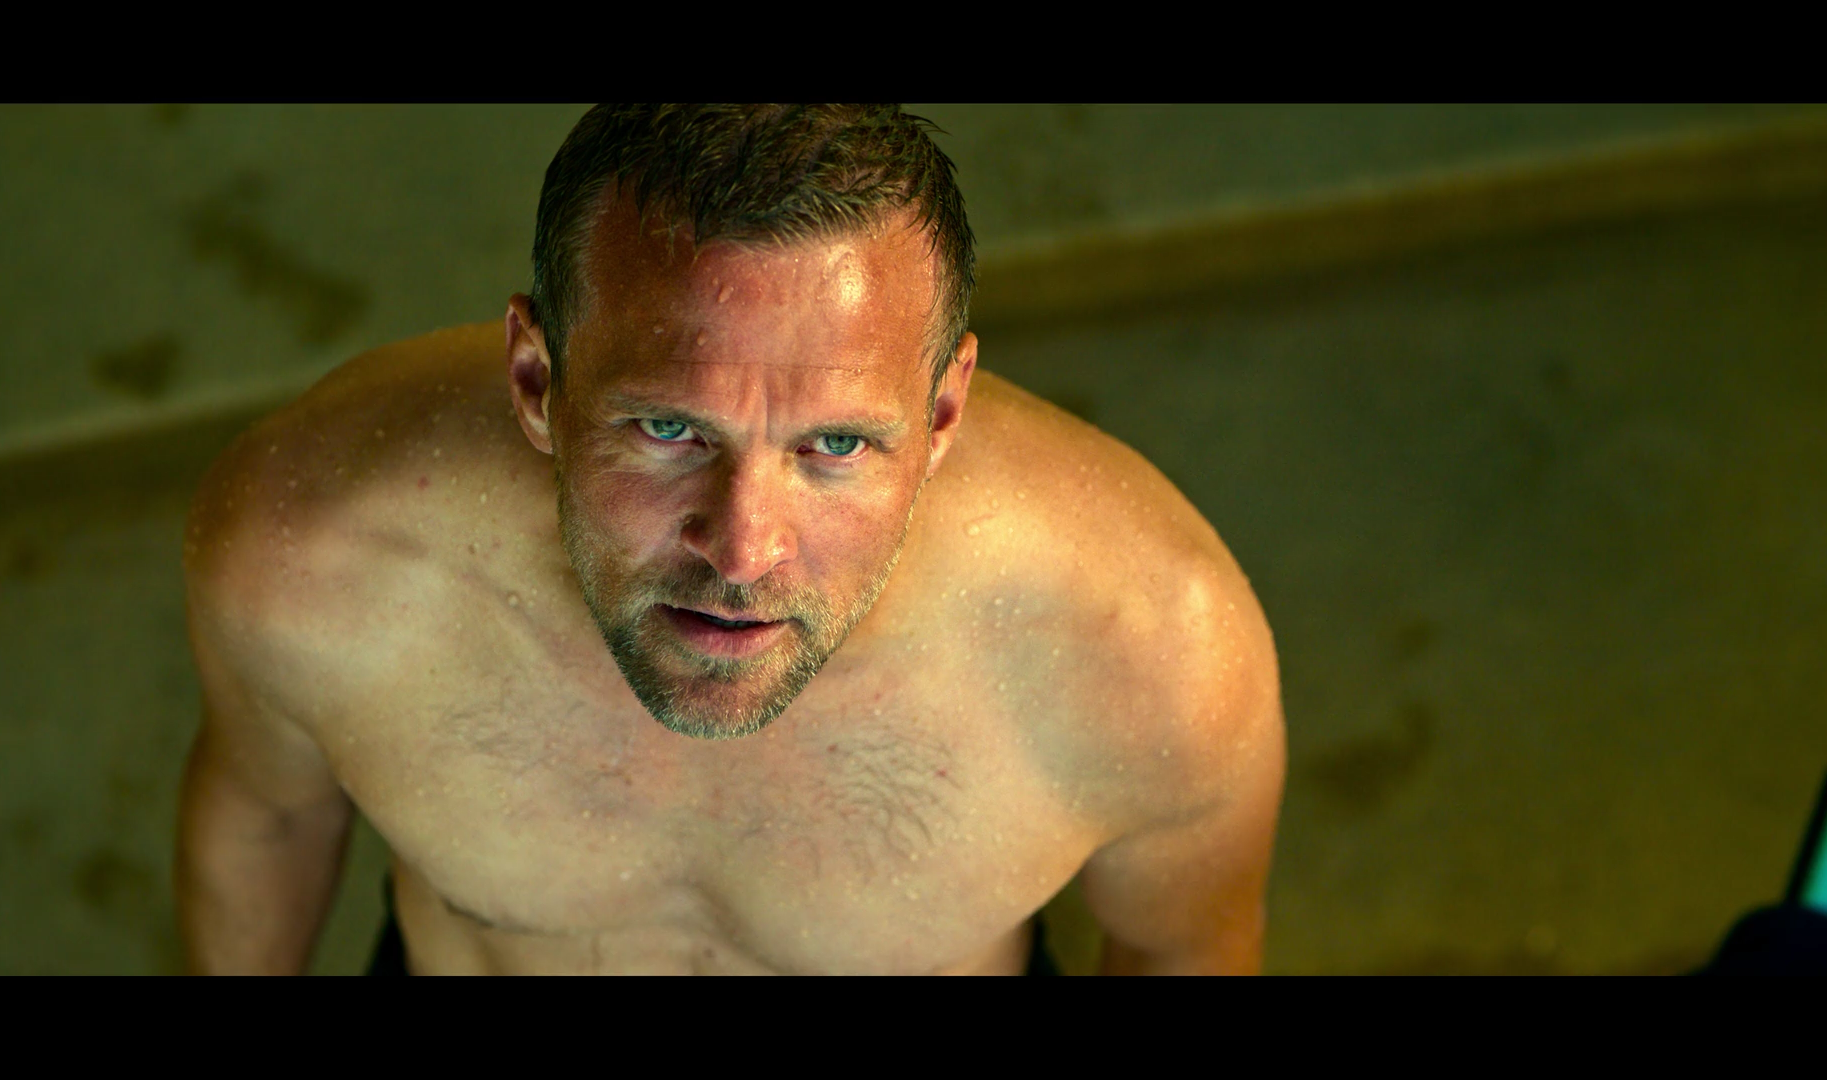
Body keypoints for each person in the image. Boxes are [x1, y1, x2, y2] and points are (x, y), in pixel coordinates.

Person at [173, 104, 1285, 975]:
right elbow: (267, 817)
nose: (745, 553)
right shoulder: (315, 557)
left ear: (943, 414)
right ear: (537, 381)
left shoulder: (1150, 650)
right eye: (669, 430)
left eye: (836, 445)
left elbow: (1184, 950)